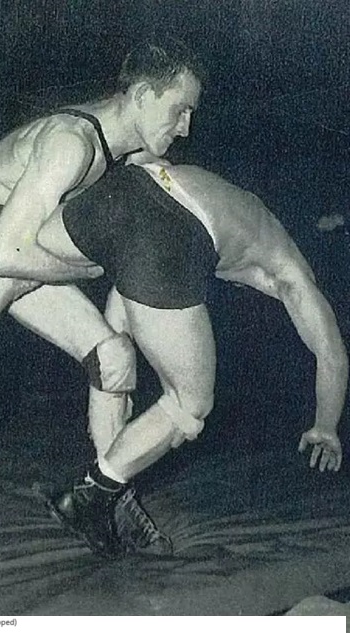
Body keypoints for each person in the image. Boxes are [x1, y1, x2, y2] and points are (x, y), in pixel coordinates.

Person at [0, 42, 204, 615]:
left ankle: (103, 496)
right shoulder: (72, 142)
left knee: (114, 356)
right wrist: (90, 268)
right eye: (180, 109)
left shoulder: (123, 157)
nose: (186, 127)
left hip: (18, 255)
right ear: (142, 96)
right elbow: (4, 254)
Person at [33, 159, 349, 557]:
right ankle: (90, 495)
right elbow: (332, 354)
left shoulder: (250, 212)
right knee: (190, 405)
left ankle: (108, 489)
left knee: (112, 355)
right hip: (169, 229)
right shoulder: (293, 275)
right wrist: (325, 426)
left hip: (127, 191)